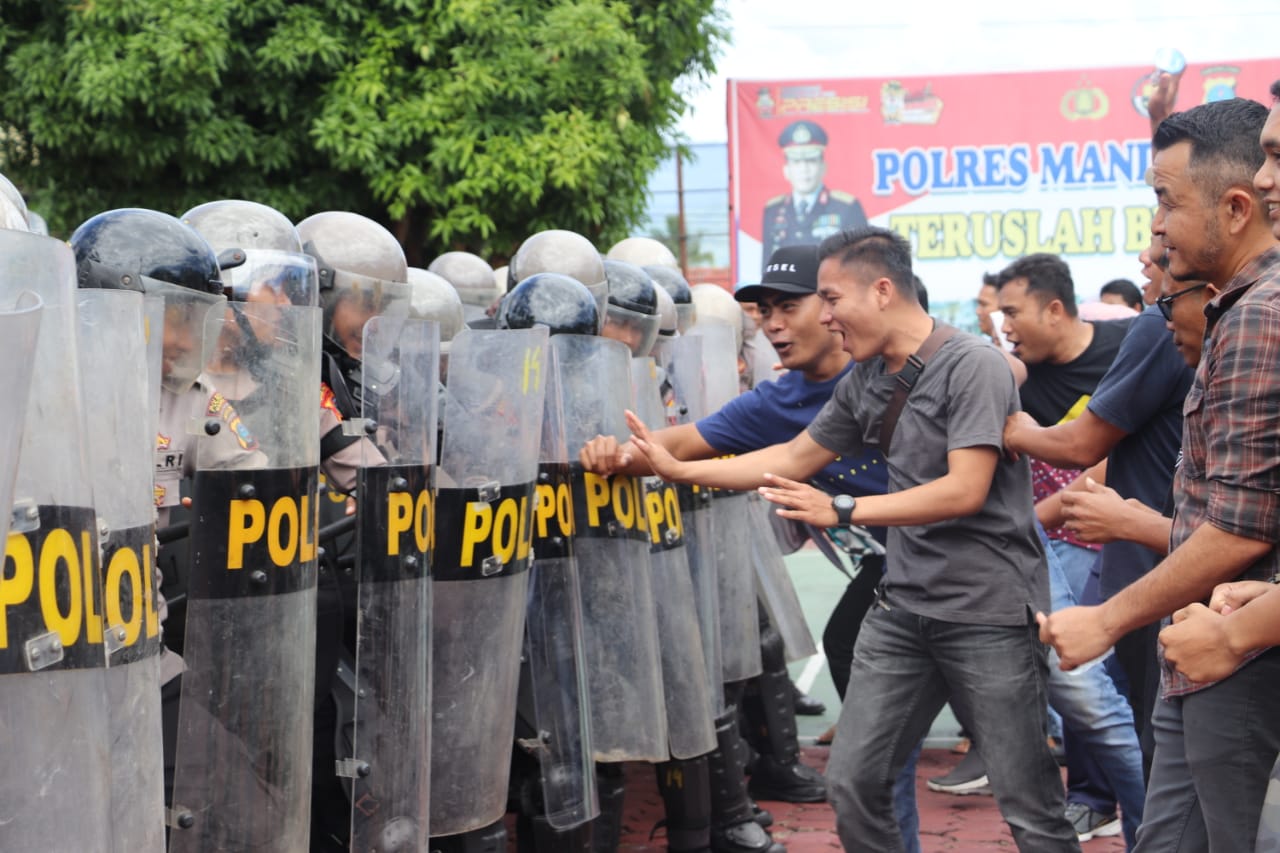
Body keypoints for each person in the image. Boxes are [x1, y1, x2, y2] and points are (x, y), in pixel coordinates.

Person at [613, 227, 1077, 852]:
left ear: (882, 291)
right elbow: (793, 456)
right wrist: (679, 469)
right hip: (904, 610)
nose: (825, 317)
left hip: (987, 614)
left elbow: (964, 490)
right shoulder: (865, 379)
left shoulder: (972, 365)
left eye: (830, 299)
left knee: (1030, 804)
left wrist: (843, 508)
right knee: (854, 783)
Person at [579, 243, 927, 849]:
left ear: (835, 304)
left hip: (975, 563)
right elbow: (693, 443)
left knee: (1046, 733)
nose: (772, 325)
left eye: (789, 307)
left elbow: (1001, 383)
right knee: (867, 761)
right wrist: (616, 453)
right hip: (898, 568)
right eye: (764, 312)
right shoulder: (787, 399)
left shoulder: (893, 371)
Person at [1037, 96, 1280, 852]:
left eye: (1166, 204)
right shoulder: (1234, 308)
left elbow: (1241, 527)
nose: (1157, 232)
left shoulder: (1258, 315)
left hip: (1237, 652)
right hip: (1213, 633)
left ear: (1232, 209)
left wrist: (1108, 619)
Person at [761, 120, 866, 263]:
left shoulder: (846, 208)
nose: (804, 169)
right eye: (796, 162)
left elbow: (861, 263)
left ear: (823, 167)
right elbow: (768, 266)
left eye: (811, 161)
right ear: (786, 170)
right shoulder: (773, 210)